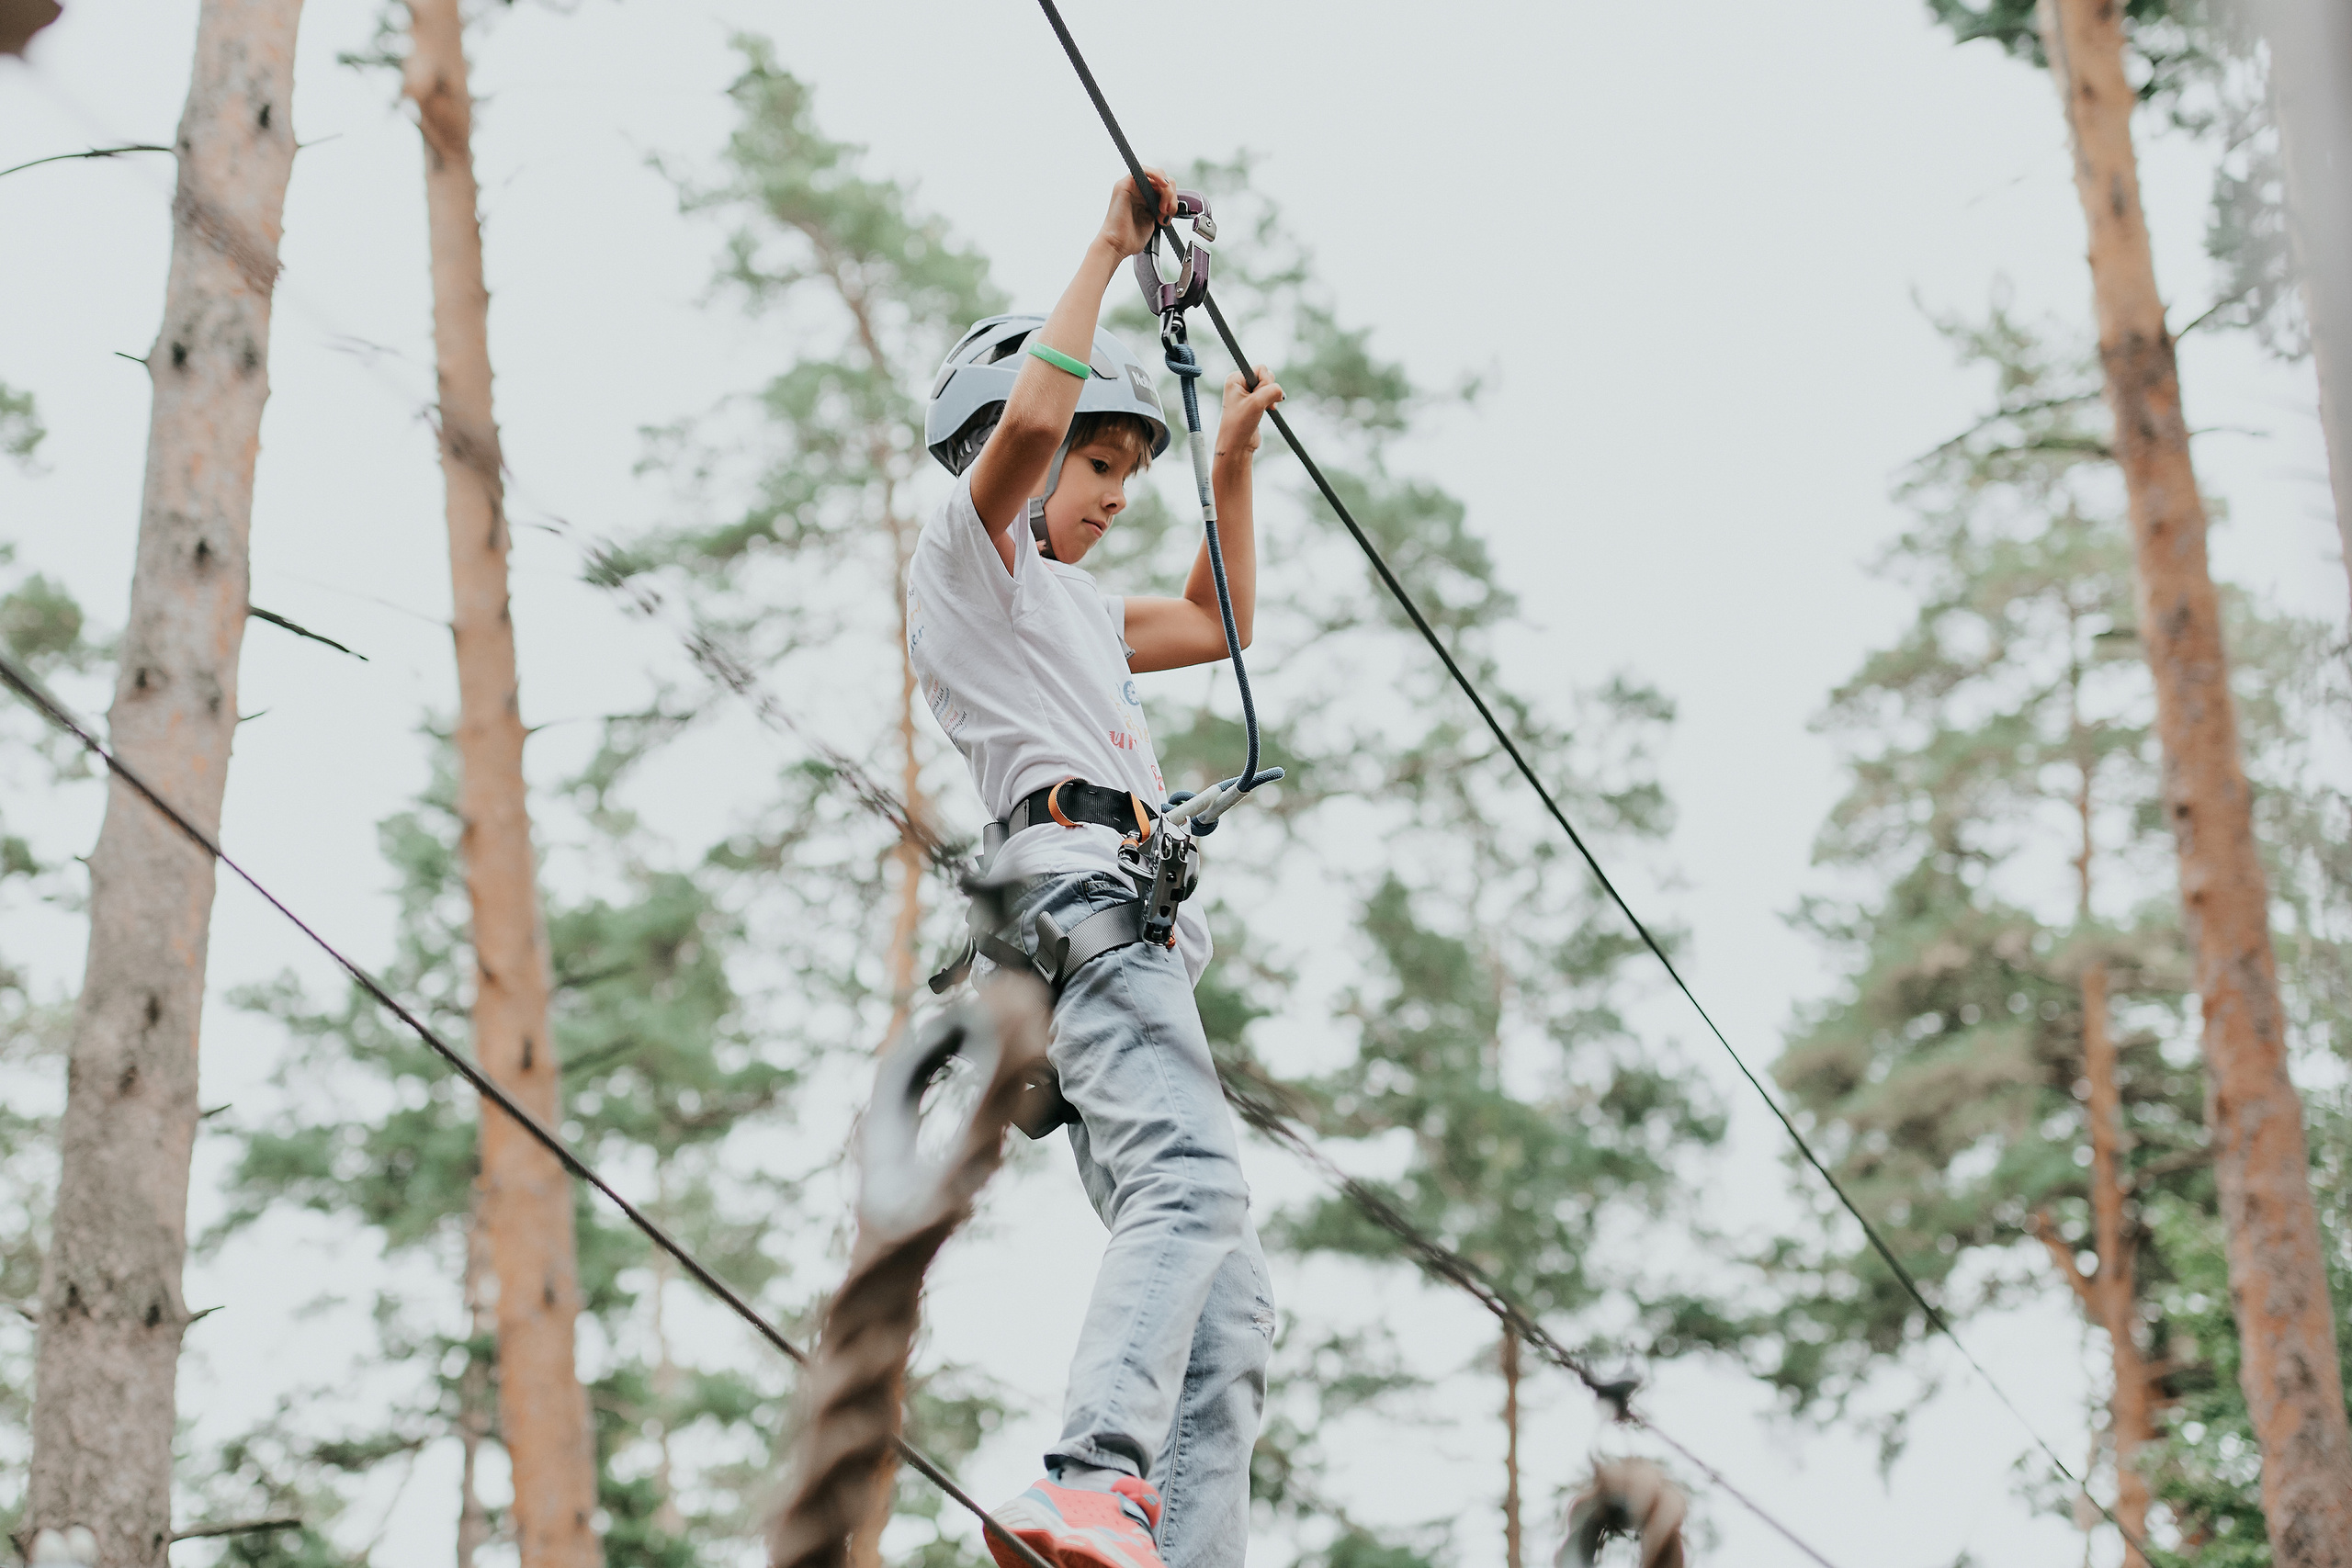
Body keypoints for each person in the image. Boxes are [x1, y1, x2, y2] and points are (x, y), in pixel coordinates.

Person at [908, 168, 1285, 1568]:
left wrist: (1228, 460)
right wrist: (1107, 254)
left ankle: (1162, 1545)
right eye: (1101, 466)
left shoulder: (1069, 607)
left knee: (1231, 1306)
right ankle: (1090, 1480)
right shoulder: (968, 558)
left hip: (1128, 923)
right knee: (1192, 1186)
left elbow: (1217, 621)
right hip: (1079, 902)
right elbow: (1031, 422)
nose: (1117, 492)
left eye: (1133, 472)